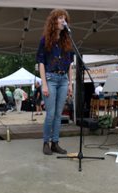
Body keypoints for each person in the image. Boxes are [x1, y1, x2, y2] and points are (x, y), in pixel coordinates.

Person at [36, 8, 74, 155]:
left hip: (63, 79)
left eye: (64, 18)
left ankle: (55, 143)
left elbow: (70, 64)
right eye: (60, 18)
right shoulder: (45, 40)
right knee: (50, 114)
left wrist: (70, 84)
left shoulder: (67, 41)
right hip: (50, 79)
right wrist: (44, 83)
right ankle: (46, 142)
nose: (63, 20)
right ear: (54, 21)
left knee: (59, 114)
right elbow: (41, 63)